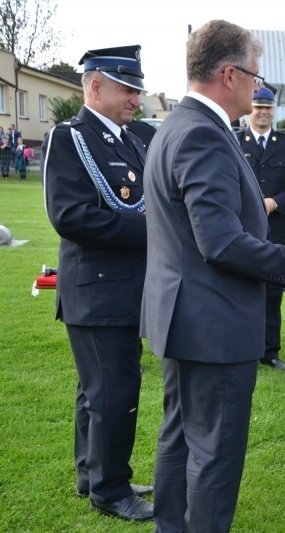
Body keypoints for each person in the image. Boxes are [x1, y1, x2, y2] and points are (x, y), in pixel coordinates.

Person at [140, 20, 285, 532]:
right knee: (214, 453)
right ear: (228, 74)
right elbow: (217, 241)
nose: (258, 87)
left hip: (185, 317)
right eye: (254, 76)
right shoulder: (202, 133)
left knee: (179, 437)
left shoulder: (178, 125)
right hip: (212, 323)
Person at [42, 45, 153, 522]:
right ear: (95, 86)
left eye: (137, 91)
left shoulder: (130, 139)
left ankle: (94, 475)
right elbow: (71, 216)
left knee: (97, 391)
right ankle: (111, 489)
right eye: (127, 89)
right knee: (114, 391)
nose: (135, 100)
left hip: (123, 289)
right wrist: (157, 232)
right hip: (97, 289)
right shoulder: (70, 138)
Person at [237, 87, 285, 371]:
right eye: (257, 107)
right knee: (240, 290)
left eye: (268, 107)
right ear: (250, 109)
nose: (263, 112)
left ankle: (269, 352)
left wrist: (275, 202)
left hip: (276, 230)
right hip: (243, 230)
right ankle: (242, 349)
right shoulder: (234, 141)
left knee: (272, 293)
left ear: (273, 110)